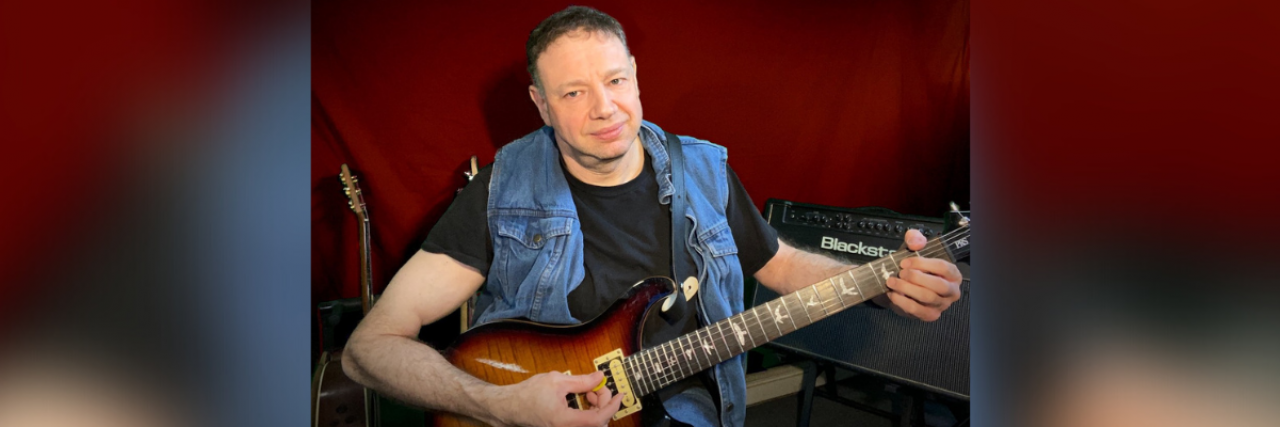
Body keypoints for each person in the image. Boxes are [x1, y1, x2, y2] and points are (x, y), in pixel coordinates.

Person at [343, 6, 962, 427]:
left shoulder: (704, 172)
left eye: (615, 80)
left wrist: (883, 281)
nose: (605, 108)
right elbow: (368, 348)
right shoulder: (503, 188)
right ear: (540, 104)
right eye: (573, 92)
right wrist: (499, 405)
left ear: (636, 77)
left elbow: (780, 263)